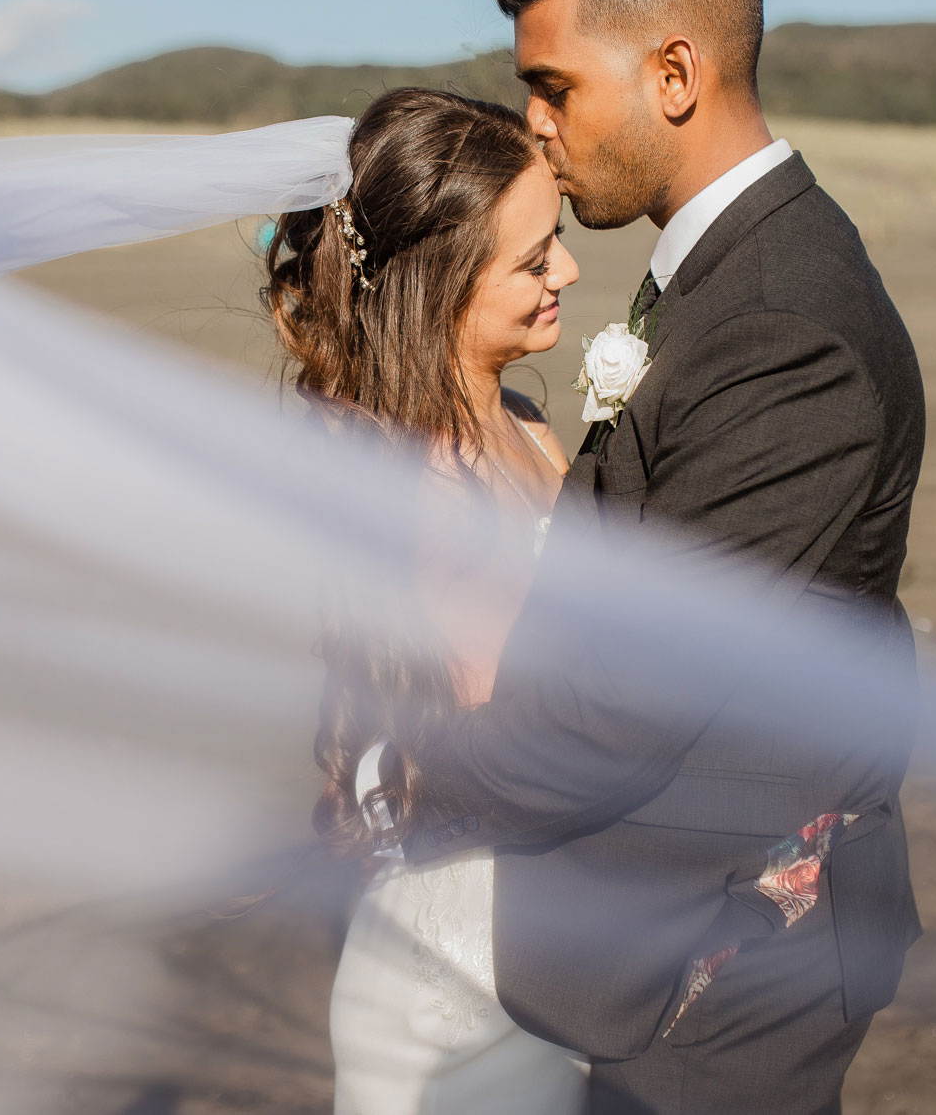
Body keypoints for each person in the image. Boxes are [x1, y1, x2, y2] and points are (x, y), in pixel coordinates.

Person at [397, 0, 929, 1114]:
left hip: (727, 960)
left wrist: (420, 780)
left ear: (674, 71)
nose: (532, 126)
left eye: (555, 87)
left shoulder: (783, 324)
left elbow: (624, 703)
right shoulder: (722, 275)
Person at [263, 86, 591, 1111]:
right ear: (444, 284)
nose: (567, 273)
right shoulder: (433, 492)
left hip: (536, 926)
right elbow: (521, 736)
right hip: (468, 968)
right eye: (533, 260)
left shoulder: (526, 421)